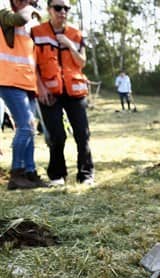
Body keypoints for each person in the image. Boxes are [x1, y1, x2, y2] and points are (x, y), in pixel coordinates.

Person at [33, 0, 94, 186]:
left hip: (75, 92)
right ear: (49, 9)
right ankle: (57, 175)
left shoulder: (75, 34)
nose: (62, 12)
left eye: (66, 8)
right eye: (58, 8)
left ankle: (86, 175)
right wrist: (40, 87)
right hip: (49, 92)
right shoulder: (37, 32)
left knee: (82, 134)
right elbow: (31, 63)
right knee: (56, 135)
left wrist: (69, 44)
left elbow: (82, 62)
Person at [0, 0, 47, 190]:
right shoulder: (5, 13)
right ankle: (16, 174)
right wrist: (30, 7)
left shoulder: (32, 22)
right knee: (26, 127)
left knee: (29, 128)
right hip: (9, 79)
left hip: (28, 82)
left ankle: (30, 172)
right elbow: (19, 18)